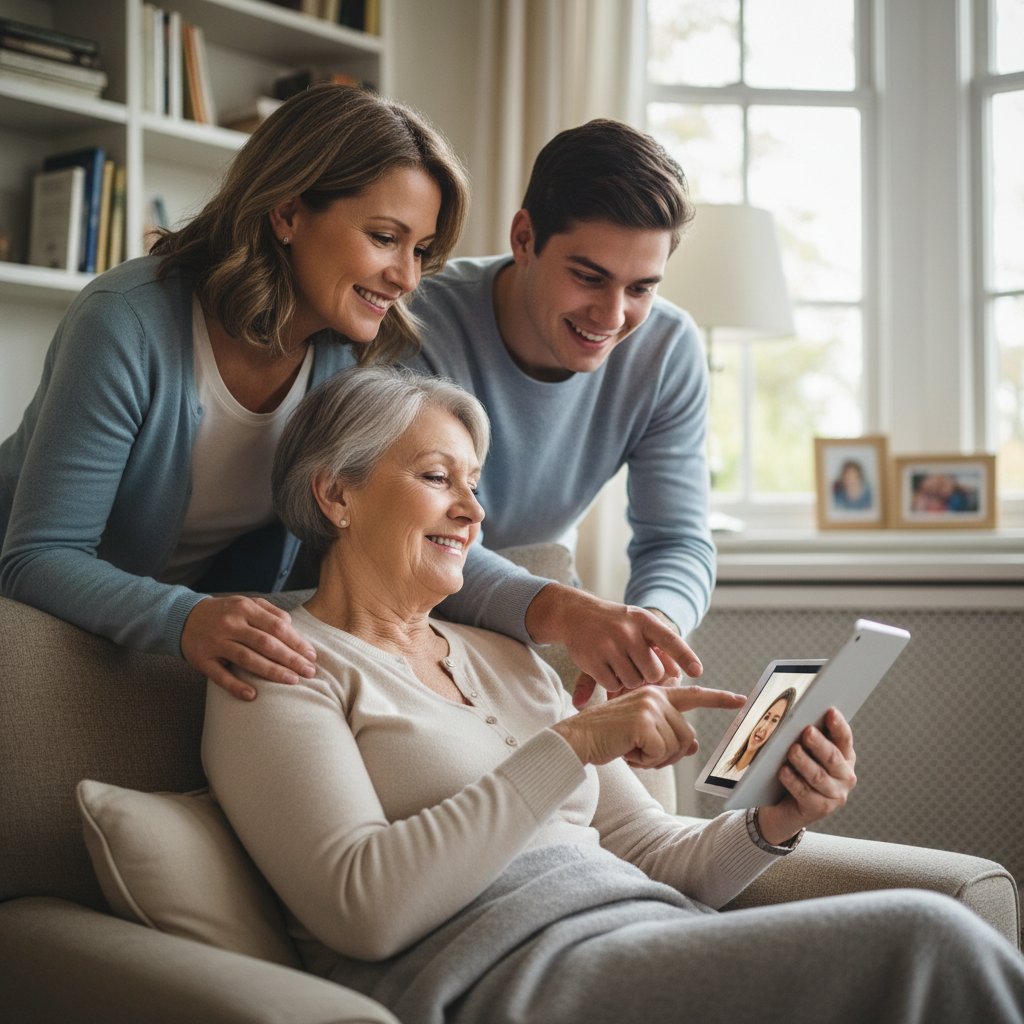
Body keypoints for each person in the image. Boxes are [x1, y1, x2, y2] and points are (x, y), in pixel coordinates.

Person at [203, 366, 1024, 1024]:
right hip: (509, 973)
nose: (472, 509)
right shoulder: (282, 667)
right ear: (335, 494)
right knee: (931, 938)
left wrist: (777, 821)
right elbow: (363, 907)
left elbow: (657, 854)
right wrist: (574, 744)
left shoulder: (508, 658)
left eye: (475, 482)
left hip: (648, 929)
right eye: (435, 476)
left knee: (928, 936)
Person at [0, 84, 469, 699]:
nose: (406, 277)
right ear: (287, 212)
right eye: (384, 238)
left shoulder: (350, 353)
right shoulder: (125, 324)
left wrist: (553, 607)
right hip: (32, 618)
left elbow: (403, 527)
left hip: (177, 630)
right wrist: (184, 618)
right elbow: (37, 557)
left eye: (421, 250)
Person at [404, 118, 715, 704]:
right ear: (525, 238)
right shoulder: (420, 323)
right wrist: (567, 613)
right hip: (414, 598)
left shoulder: (668, 349)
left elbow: (677, 539)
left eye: (642, 288)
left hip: (536, 596)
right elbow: (415, 538)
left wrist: (656, 630)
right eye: (588, 277)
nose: (611, 316)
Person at [718, 687, 797, 781]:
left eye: (774, 720)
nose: (763, 728)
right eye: (766, 717)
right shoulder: (727, 764)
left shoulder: (758, 778)